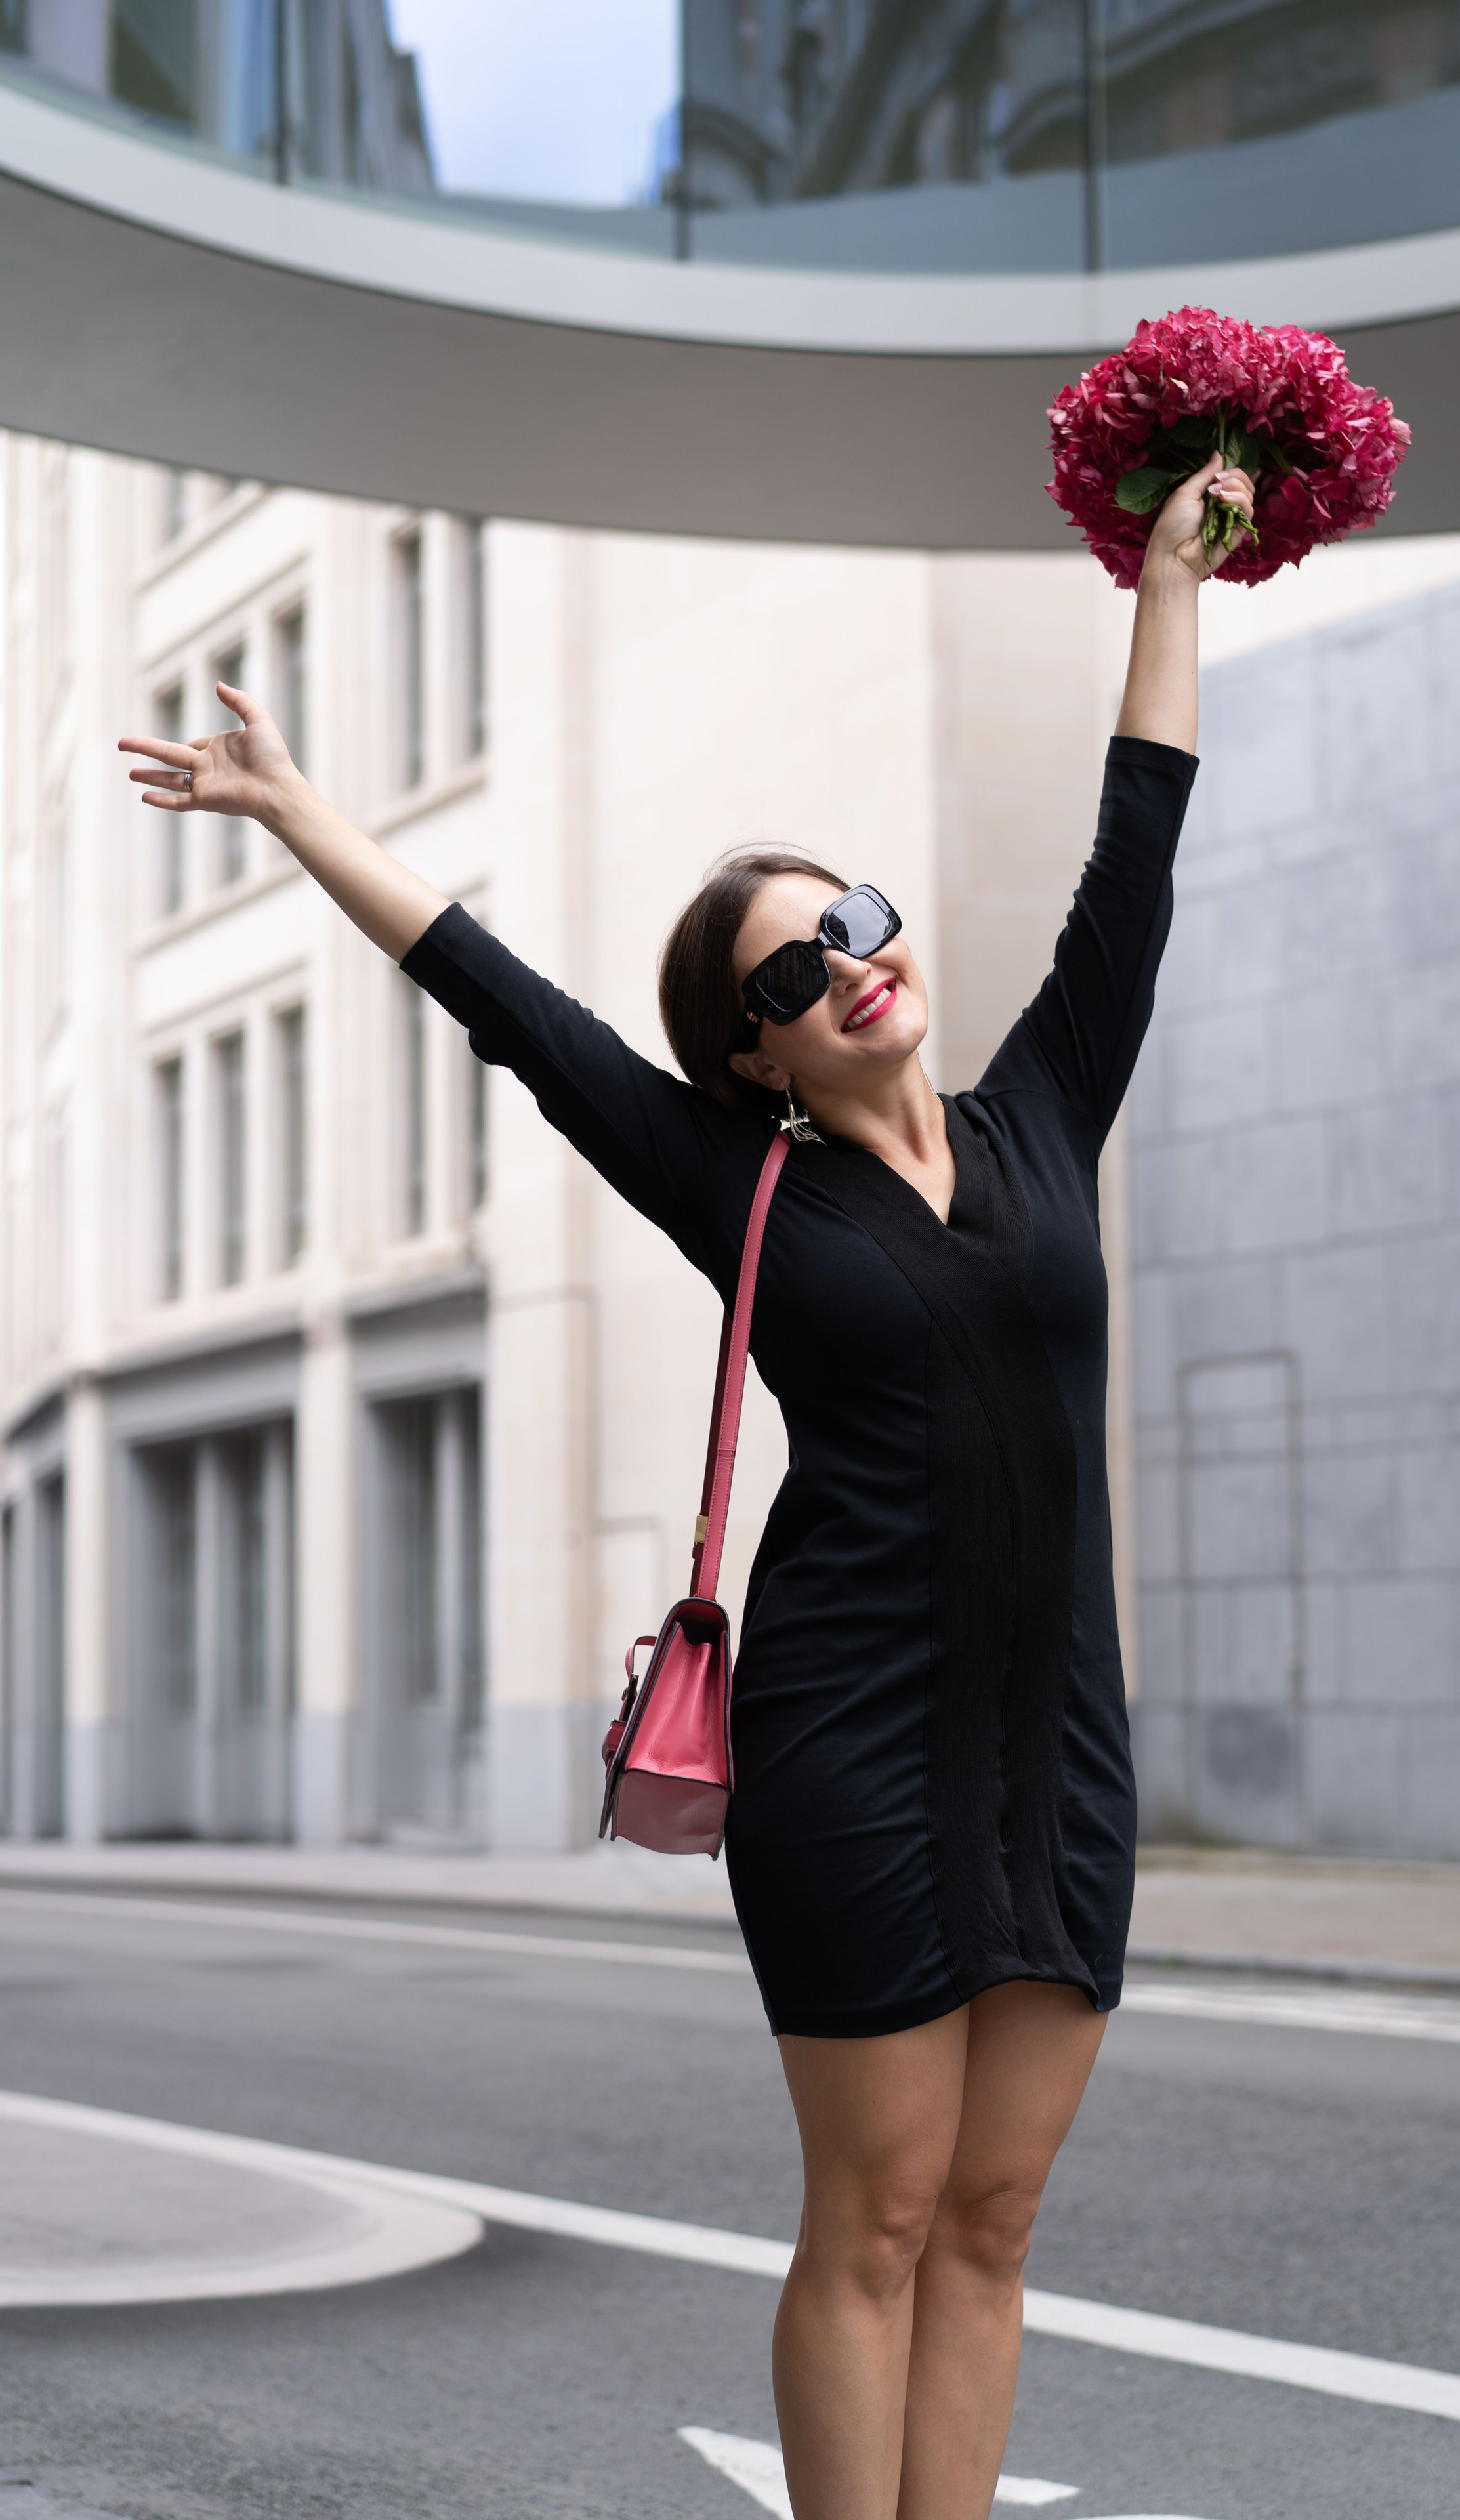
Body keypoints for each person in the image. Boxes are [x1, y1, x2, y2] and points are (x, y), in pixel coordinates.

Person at [120, 452, 1255, 2520]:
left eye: (858, 924)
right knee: (880, 2224)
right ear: (752, 1060)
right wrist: (299, 819)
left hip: (1055, 1747)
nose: (847, 967)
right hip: (851, 1752)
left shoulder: (1038, 1119)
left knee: (995, 2229)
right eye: (789, 975)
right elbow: (513, 1013)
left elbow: (1137, 858)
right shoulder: (734, 1180)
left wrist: (1166, 585)